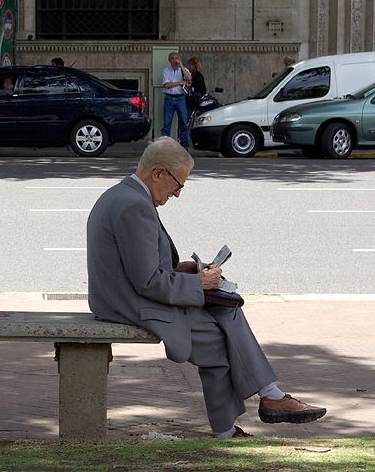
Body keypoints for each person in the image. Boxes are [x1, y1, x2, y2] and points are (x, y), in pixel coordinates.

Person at [86, 137, 326, 439]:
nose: (177, 194)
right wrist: (198, 282)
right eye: (178, 184)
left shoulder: (123, 195)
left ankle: (269, 395)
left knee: (226, 309)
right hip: (128, 304)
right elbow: (147, 282)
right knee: (217, 338)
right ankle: (239, 421)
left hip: (121, 296)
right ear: (158, 173)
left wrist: (183, 271)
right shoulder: (136, 206)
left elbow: (137, 267)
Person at [162, 52, 192, 147]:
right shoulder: (166, 71)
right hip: (169, 98)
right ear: (170, 60)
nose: (175, 60)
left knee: (183, 123)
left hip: (180, 98)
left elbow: (189, 78)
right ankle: (165, 146)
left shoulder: (183, 70)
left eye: (176, 58)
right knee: (167, 123)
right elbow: (166, 85)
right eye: (173, 58)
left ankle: (184, 146)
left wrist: (182, 66)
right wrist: (180, 83)